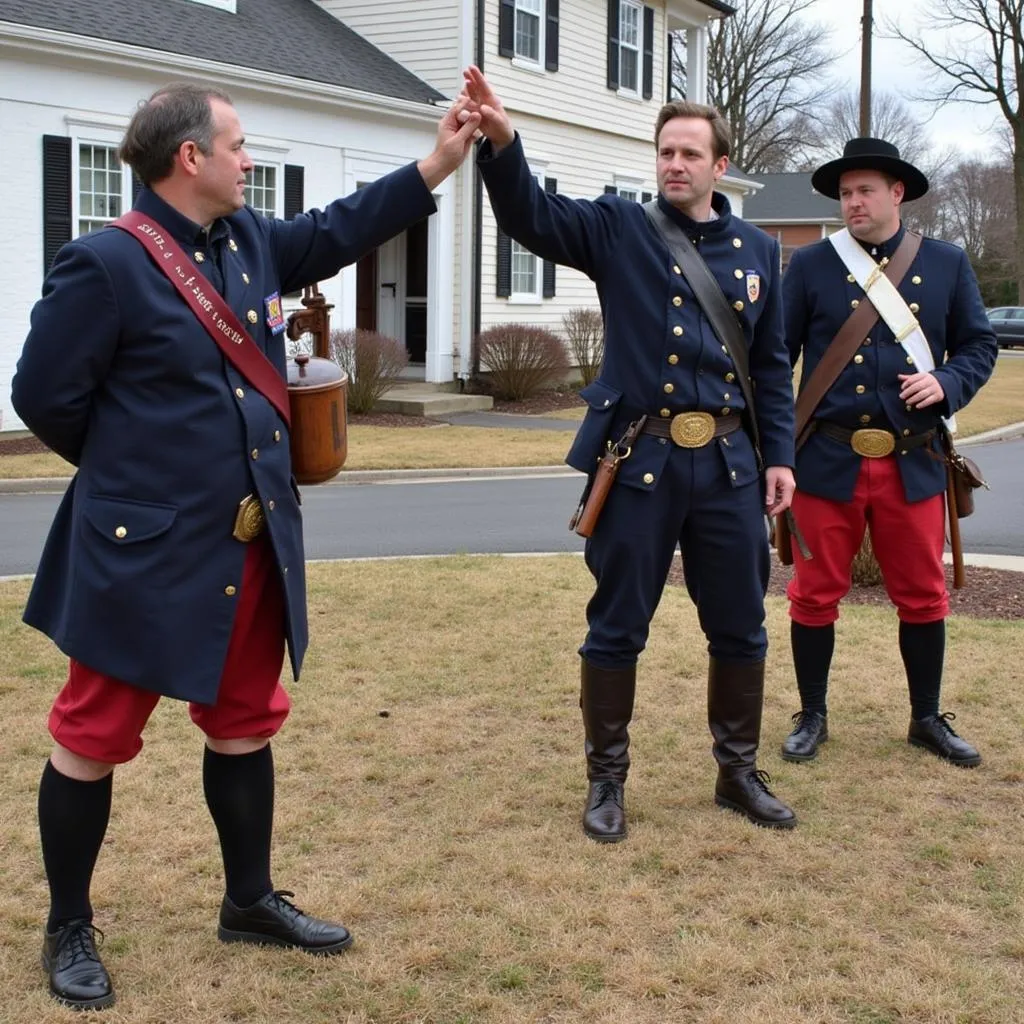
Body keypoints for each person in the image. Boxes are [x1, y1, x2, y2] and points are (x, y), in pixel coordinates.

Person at [12, 82, 480, 1010]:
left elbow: (343, 227)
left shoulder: (252, 243)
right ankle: (68, 925)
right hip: (141, 550)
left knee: (242, 721)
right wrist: (135, 481)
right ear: (191, 158)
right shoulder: (103, 263)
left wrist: (437, 162)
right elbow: (42, 397)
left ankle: (249, 899)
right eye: (238, 145)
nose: (249, 160)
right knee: (94, 735)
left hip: (249, 537)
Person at [460, 66, 798, 842]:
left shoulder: (757, 250)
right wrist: (503, 143)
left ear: (720, 166)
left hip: (727, 466)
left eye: (689, 153)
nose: (674, 165)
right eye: (665, 152)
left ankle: (737, 773)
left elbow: (773, 364)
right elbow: (532, 218)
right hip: (639, 461)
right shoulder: (620, 229)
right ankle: (606, 783)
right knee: (616, 626)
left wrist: (778, 456)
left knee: (741, 626)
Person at [779, 138, 997, 768]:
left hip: (913, 460)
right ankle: (812, 714)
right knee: (814, 593)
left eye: (865, 190)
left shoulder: (948, 263)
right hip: (827, 461)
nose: (853, 202)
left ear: (896, 193)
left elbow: (978, 347)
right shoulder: (813, 266)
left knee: (924, 593)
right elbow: (778, 359)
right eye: (845, 193)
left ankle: (926, 718)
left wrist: (947, 383)